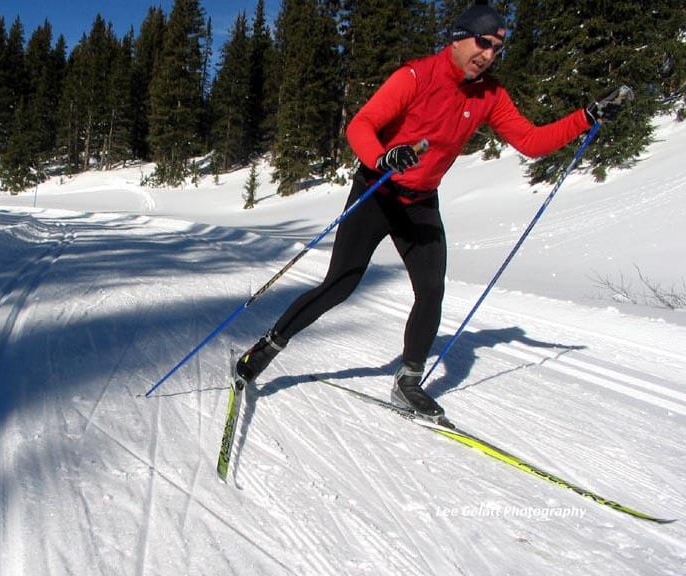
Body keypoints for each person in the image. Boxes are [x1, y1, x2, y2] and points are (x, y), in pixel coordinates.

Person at [235, 1, 626, 420]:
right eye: (483, 42)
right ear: (458, 38)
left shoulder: (490, 95)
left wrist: (586, 118)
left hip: (421, 202)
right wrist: (383, 157)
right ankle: (267, 347)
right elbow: (360, 125)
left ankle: (408, 383)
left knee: (431, 287)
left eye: (496, 49)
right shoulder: (416, 76)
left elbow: (530, 141)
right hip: (379, 191)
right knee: (341, 284)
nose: (488, 55)